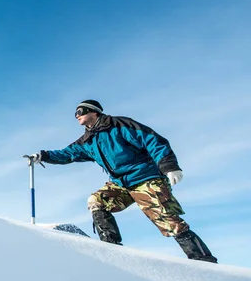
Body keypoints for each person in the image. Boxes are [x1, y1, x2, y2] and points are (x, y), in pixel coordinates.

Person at [28, 99, 217, 263]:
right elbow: (67, 154)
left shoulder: (119, 125)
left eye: (80, 111)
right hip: (121, 184)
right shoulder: (87, 140)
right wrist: (43, 156)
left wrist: (169, 166)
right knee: (96, 200)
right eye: (75, 113)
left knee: (169, 221)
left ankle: (204, 261)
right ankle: (111, 248)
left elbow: (152, 140)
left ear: (94, 111)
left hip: (145, 179)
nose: (77, 115)